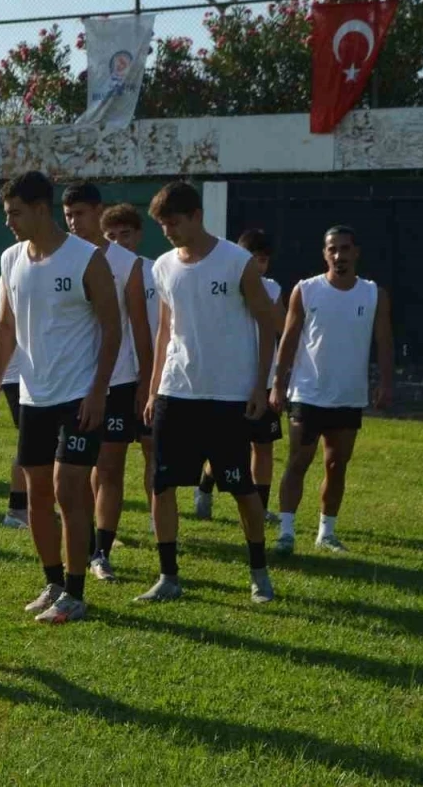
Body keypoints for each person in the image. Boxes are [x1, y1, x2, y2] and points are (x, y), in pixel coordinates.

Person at [0, 171, 122, 624]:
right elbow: (6, 325)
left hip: (79, 396)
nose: (8, 222)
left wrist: (99, 391)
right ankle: (54, 583)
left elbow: (112, 328)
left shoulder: (86, 258)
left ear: (41, 210)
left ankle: (76, 594)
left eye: (15, 213)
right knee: (37, 494)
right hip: (33, 396)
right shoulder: (9, 259)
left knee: (68, 490)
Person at [140, 181, 279, 604]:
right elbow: (165, 329)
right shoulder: (163, 266)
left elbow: (267, 322)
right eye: (163, 225)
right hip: (176, 391)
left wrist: (260, 385)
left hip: (227, 397)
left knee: (241, 488)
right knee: (162, 484)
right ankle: (168, 576)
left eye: (174, 223)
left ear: (197, 216)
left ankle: (259, 574)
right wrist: (154, 390)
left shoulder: (237, 261)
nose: (168, 232)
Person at [271, 226, 393, 554]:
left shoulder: (373, 294)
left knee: (337, 465)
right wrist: (278, 385)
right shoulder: (306, 290)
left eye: (345, 248)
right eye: (332, 249)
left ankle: (326, 533)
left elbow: (384, 341)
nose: (339, 255)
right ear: (324, 254)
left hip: (348, 396)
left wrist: (385, 383)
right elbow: (289, 339)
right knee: (298, 461)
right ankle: (286, 532)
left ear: (356, 252)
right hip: (308, 393)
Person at [61, 183, 152, 582]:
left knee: (110, 467)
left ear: (98, 212)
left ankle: (101, 552)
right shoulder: (62, 256)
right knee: (75, 471)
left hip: (119, 380)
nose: (73, 223)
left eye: (79, 214)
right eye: (68, 215)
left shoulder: (127, 263)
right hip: (71, 383)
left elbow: (140, 327)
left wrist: (145, 382)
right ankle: (82, 545)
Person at [194, 229, 286, 523]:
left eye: (263, 260)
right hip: (231, 381)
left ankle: (261, 507)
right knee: (228, 447)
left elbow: (282, 327)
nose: (258, 265)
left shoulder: (272, 289)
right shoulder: (224, 285)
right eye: (252, 258)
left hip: (263, 380)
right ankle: (205, 485)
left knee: (263, 445)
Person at [100, 203, 160, 512]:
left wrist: (151, 377)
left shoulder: (157, 271)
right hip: (117, 376)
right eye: (111, 236)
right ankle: (101, 524)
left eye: (125, 234)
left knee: (153, 449)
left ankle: (155, 517)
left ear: (138, 235)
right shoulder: (97, 271)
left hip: (154, 376)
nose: (119, 242)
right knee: (107, 459)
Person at [0, 275, 28, 529]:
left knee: (37, 444)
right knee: (32, 444)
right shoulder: (14, 267)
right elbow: (8, 325)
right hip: (21, 375)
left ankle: (24, 508)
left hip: (27, 374)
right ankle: (17, 510)